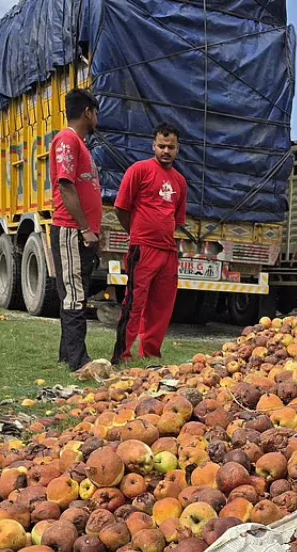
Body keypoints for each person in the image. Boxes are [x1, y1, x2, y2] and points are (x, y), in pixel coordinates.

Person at [112, 123, 189, 362]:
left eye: (171, 147)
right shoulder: (139, 170)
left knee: (161, 306)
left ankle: (151, 353)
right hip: (142, 249)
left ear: (178, 149)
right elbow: (121, 207)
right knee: (134, 302)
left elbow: (176, 219)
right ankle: (123, 354)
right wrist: (136, 233)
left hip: (167, 251)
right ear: (153, 145)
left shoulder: (180, 182)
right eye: (162, 146)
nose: (166, 151)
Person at [47, 89, 103, 372]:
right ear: (88, 112)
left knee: (74, 291)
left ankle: (66, 355)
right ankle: (78, 361)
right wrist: (83, 228)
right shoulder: (67, 140)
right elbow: (66, 186)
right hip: (70, 230)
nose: (97, 118)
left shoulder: (79, 143)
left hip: (81, 232)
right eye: (96, 112)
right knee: (74, 294)